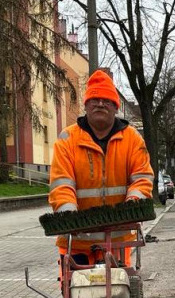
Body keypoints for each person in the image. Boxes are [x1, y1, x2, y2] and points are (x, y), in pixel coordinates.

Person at [49, 70, 154, 266]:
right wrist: (69, 216)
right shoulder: (67, 139)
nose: (100, 104)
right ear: (86, 106)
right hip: (76, 243)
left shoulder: (132, 139)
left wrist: (132, 207)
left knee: (120, 284)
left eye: (106, 100)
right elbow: (61, 184)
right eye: (94, 99)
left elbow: (142, 178)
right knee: (76, 285)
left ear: (115, 107)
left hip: (117, 240)